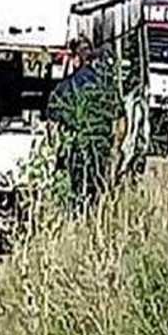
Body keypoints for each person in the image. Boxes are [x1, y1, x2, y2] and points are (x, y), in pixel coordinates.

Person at [47, 37, 106, 210]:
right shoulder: (105, 86)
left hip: (73, 152)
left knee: (72, 198)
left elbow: (52, 123)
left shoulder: (64, 88)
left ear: (75, 59)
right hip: (98, 151)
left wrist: (55, 148)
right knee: (95, 199)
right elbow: (120, 122)